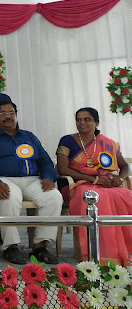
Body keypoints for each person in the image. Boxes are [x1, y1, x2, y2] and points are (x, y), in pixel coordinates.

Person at [0, 101, 62, 264]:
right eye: (3, 113)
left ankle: (40, 246)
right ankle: (11, 246)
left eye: (11, 113)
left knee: (54, 197)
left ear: (16, 115)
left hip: (33, 179)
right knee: (9, 196)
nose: (8, 116)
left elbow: (45, 160)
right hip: (4, 179)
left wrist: (48, 177)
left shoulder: (29, 136)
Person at [57, 107, 132, 265]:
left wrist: (120, 178)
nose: (82, 123)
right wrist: (94, 179)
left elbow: (125, 166)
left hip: (107, 184)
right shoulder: (68, 140)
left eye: (87, 119)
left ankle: (126, 250)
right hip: (79, 184)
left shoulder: (108, 143)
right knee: (96, 197)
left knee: (126, 196)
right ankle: (103, 254)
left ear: (96, 123)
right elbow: (63, 169)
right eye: (79, 119)